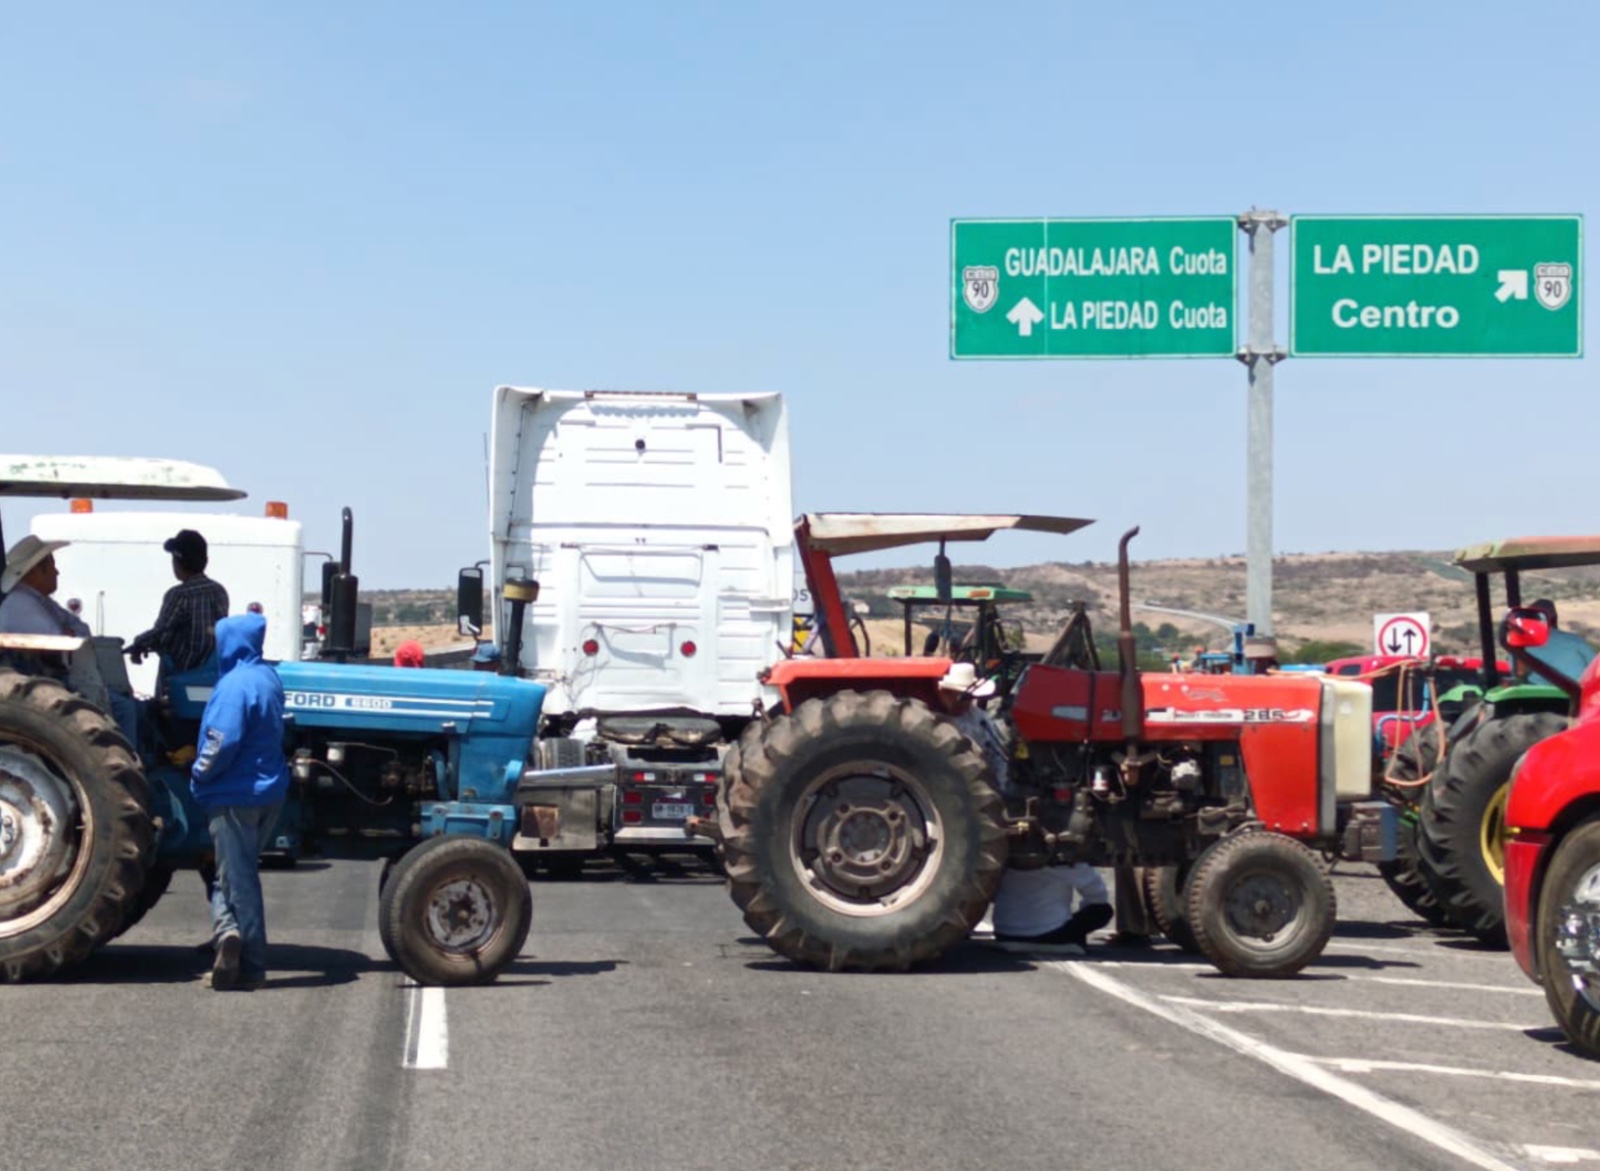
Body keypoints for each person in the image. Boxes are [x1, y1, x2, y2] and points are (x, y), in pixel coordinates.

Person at [933, 663, 1114, 956]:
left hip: (985, 797)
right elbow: (1098, 895)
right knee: (1100, 910)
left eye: (967, 696)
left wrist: (1002, 797)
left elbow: (1000, 759)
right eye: (955, 695)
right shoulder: (935, 723)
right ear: (942, 692)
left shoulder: (981, 721)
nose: (961, 702)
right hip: (952, 799)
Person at [191, 613, 288, 991]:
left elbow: (221, 741)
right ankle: (227, 934)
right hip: (268, 791)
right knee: (230, 874)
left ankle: (250, 963)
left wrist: (199, 772)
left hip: (233, 794)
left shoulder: (233, 686)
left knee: (239, 879)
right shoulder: (268, 678)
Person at [129, 529, 230, 674]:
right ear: (205, 561)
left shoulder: (179, 594)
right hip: (213, 676)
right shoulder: (219, 591)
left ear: (178, 562)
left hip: (180, 675)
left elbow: (161, 634)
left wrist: (138, 644)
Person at [1525, 599, 1597, 687]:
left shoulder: (1521, 645)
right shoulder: (1575, 640)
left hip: (1538, 692)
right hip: (1575, 691)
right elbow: (1595, 667)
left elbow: (1516, 672)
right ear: (1554, 618)